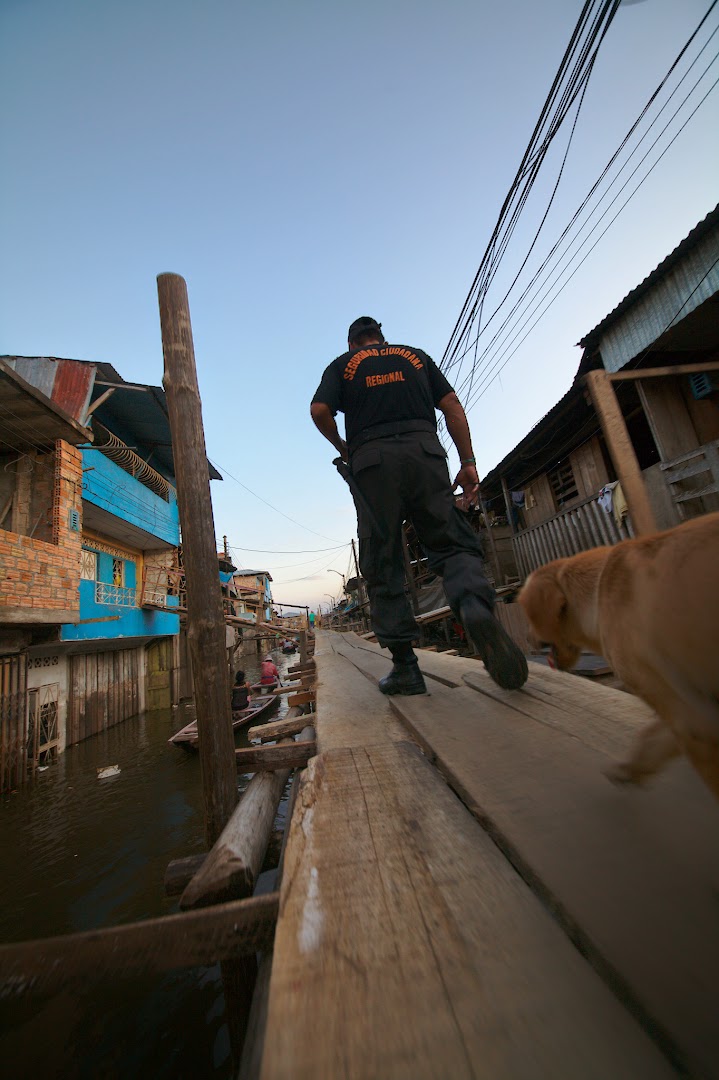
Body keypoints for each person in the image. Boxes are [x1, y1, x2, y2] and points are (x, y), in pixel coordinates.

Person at [310, 315, 528, 696]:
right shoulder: (416, 357)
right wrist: (468, 462)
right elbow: (453, 407)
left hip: (372, 461)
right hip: (425, 453)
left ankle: (407, 669)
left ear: (352, 344)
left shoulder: (341, 366)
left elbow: (318, 411)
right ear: (380, 338)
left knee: (383, 556)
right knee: (449, 539)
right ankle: (474, 606)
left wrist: (344, 448)